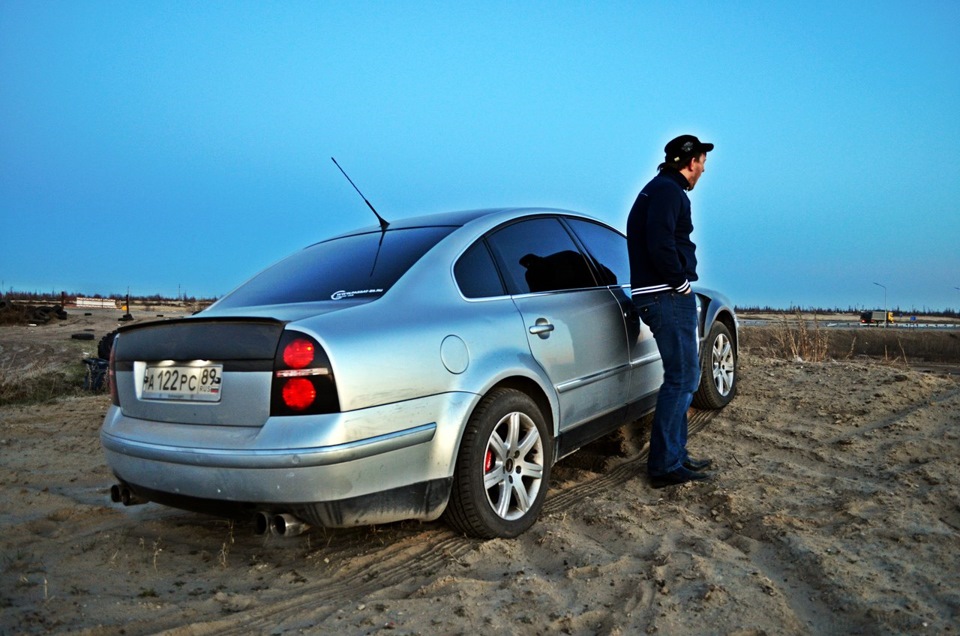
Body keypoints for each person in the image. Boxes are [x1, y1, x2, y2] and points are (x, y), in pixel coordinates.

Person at [627, 134, 714, 489]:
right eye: (703, 160)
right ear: (690, 161)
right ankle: (664, 465)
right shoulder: (667, 191)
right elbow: (660, 242)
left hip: (662, 293)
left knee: (684, 377)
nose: (705, 168)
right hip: (665, 294)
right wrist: (680, 283)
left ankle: (676, 453)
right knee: (682, 378)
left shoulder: (661, 189)